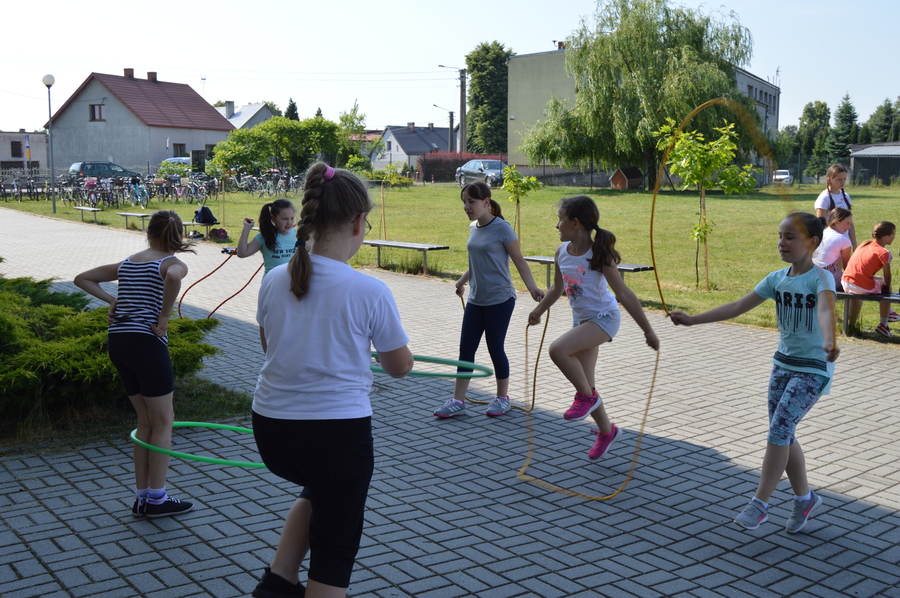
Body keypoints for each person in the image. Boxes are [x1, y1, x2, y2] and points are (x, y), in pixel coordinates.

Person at [252, 163, 413, 598]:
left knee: (319, 488)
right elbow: (400, 367)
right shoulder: (369, 290)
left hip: (272, 431)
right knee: (335, 548)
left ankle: (279, 582)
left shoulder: (274, 279)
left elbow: (272, 346)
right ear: (359, 223)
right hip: (335, 435)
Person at [670, 212, 839, 534]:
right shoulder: (776, 279)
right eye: (780, 236)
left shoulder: (821, 279)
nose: (782, 242)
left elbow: (825, 309)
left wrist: (829, 341)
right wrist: (693, 320)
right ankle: (805, 499)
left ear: (812, 242)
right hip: (782, 365)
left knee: (779, 430)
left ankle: (759, 504)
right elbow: (736, 307)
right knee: (783, 432)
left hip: (813, 368)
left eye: (790, 237)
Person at [74, 210, 195, 519]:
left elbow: (82, 278)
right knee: (164, 420)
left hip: (119, 342)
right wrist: (165, 315)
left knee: (146, 421)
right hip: (146, 343)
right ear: (178, 235)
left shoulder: (128, 263)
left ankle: (143, 498)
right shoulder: (171, 263)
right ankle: (157, 499)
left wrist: (112, 301)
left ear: (148, 233)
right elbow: (173, 277)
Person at [527, 195, 660, 461]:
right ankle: (607, 431)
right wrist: (538, 311)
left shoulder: (599, 255)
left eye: (560, 219)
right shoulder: (561, 252)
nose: (557, 225)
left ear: (575, 223)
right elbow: (557, 288)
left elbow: (624, 293)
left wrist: (648, 330)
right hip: (582, 321)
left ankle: (586, 399)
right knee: (587, 385)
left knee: (558, 350)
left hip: (604, 318)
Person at [433, 182, 544, 418]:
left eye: (471, 202)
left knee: (495, 348)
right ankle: (458, 401)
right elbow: (477, 261)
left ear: (486, 202)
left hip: (500, 299)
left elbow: (519, 261)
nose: (467, 206)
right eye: (464, 202)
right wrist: (461, 281)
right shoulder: (473, 227)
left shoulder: (502, 228)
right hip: (476, 299)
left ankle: (502, 398)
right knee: (466, 349)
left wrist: (533, 288)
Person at [841, 221, 898, 337]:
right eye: (893, 235)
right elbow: (888, 277)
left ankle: (889, 312)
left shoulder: (865, 243)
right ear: (886, 237)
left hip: (845, 280)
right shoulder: (884, 253)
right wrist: (887, 289)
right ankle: (883, 324)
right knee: (886, 286)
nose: (895, 237)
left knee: (879, 280)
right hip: (857, 285)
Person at [236, 198, 298, 275]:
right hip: (273, 281)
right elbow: (242, 253)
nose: (289, 222)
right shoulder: (265, 236)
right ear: (273, 219)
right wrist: (246, 228)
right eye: (284, 219)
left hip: (293, 281)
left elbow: (312, 248)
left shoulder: (298, 235)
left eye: (292, 218)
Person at [814, 164, 857, 249]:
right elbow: (820, 225)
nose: (842, 182)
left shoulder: (846, 196)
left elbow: (850, 223)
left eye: (844, 179)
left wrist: (855, 246)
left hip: (844, 243)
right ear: (829, 179)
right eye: (839, 179)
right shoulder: (824, 198)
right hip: (830, 244)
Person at [812, 207, 853, 290]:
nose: (849, 227)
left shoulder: (821, 233)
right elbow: (847, 267)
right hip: (827, 275)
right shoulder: (843, 240)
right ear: (837, 222)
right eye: (847, 224)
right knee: (856, 285)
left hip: (811, 272)